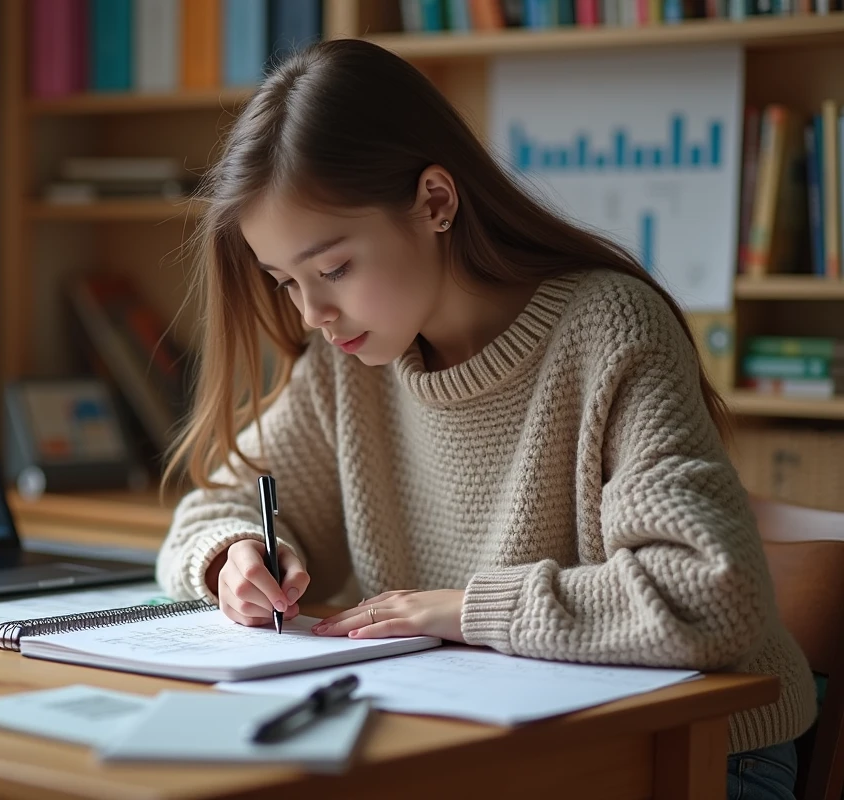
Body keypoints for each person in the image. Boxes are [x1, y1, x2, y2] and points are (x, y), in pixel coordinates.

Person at [154, 38, 815, 799]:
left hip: (695, 755)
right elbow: (212, 508)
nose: (313, 313)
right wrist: (232, 556)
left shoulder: (609, 331)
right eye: (286, 282)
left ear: (435, 201)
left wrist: (466, 609)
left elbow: (710, 595)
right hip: (482, 753)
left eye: (334, 269)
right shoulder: (353, 362)